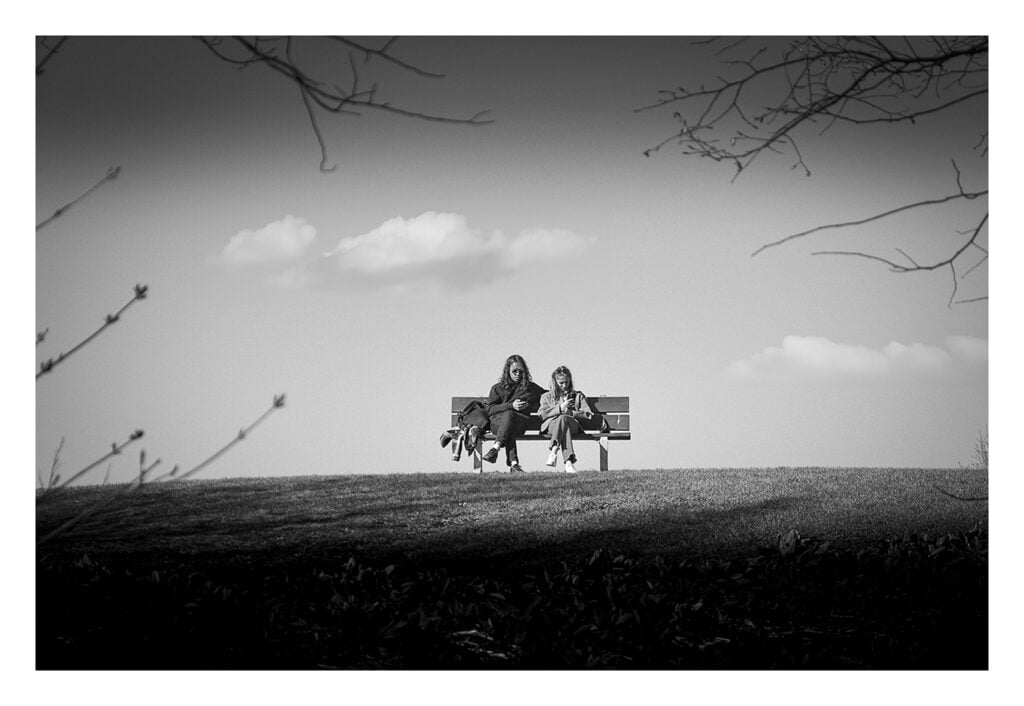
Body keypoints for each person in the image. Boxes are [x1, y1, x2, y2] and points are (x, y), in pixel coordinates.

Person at [462, 354, 545, 473]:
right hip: (497, 425)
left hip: (520, 424)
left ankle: (495, 448)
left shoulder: (531, 388)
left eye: (521, 371)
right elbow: (490, 410)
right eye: (514, 371)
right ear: (508, 371)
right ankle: (514, 464)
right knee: (509, 417)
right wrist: (511, 405)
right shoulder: (497, 388)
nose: (518, 374)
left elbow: (549, 395)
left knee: (510, 418)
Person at [538, 365, 595, 474]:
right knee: (564, 426)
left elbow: (588, 414)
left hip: (573, 425)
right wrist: (559, 408)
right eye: (561, 383)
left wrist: (571, 413)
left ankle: (554, 450)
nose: (564, 385)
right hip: (551, 425)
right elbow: (542, 414)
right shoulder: (546, 397)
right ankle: (568, 463)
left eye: (567, 382)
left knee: (564, 418)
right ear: (555, 382)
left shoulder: (578, 396)